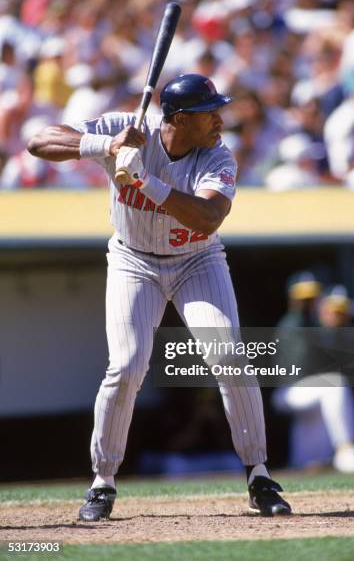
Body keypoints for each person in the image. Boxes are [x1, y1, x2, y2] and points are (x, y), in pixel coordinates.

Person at [27, 73, 291, 521]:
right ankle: (102, 482)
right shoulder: (126, 128)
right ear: (181, 119)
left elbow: (207, 217)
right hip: (134, 260)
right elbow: (39, 141)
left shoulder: (218, 156)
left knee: (228, 355)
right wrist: (103, 147)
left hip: (197, 259)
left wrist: (145, 180)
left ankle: (259, 475)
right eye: (211, 113)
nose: (220, 121)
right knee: (127, 366)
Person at [273, 278, 354, 473]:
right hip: (287, 392)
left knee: (319, 410)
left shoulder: (317, 323)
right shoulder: (293, 323)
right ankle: (346, 448)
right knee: (335, 385)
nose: (306, 303)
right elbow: (308, 361)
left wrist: (338, 322)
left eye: (311, 298)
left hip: (307, 391)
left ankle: (306, 462)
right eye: (302, 299)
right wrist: (331, 326)